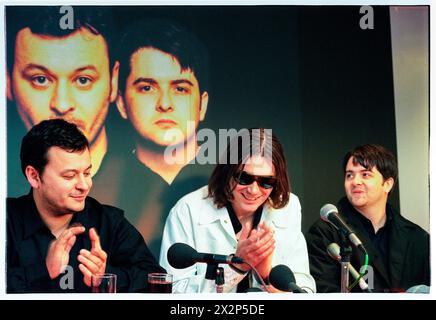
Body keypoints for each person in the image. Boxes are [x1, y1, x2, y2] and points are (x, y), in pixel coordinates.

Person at [7, 119, 165, 293]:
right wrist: (43, 270)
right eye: (69, 176)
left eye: (87, 173)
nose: (84, 185)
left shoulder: (109, 222)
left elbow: (157, 281)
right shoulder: (7, 221)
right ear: (34, 176)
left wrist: (106, 276)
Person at [159, 128, 316, 293]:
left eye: (266, 181)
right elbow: (172, 293)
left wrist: (266, 276)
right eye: (244, 178)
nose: (253, 190)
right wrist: (235, 268)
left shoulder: (288, 206)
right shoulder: (187, 210)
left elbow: (305, 290)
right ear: (227, 172)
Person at [6, 6, 119, 191]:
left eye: (83, 80)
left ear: (113, 81)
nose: (62, 104)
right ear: (7, 82)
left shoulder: (147, 191)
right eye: (40, 79)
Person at [306, 144, 430, 292]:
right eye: (349, 175)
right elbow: (324, 290)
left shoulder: (417, 238)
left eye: (365, 174)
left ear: (387, 184)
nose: (355, 181)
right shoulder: (325, 233)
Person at [115, 18, 209, 184]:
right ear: (121, 103)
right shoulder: (99, 183)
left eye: (180, 89)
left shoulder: (239, 179)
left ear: (203, 105)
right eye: (147, 88)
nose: (164, 104)